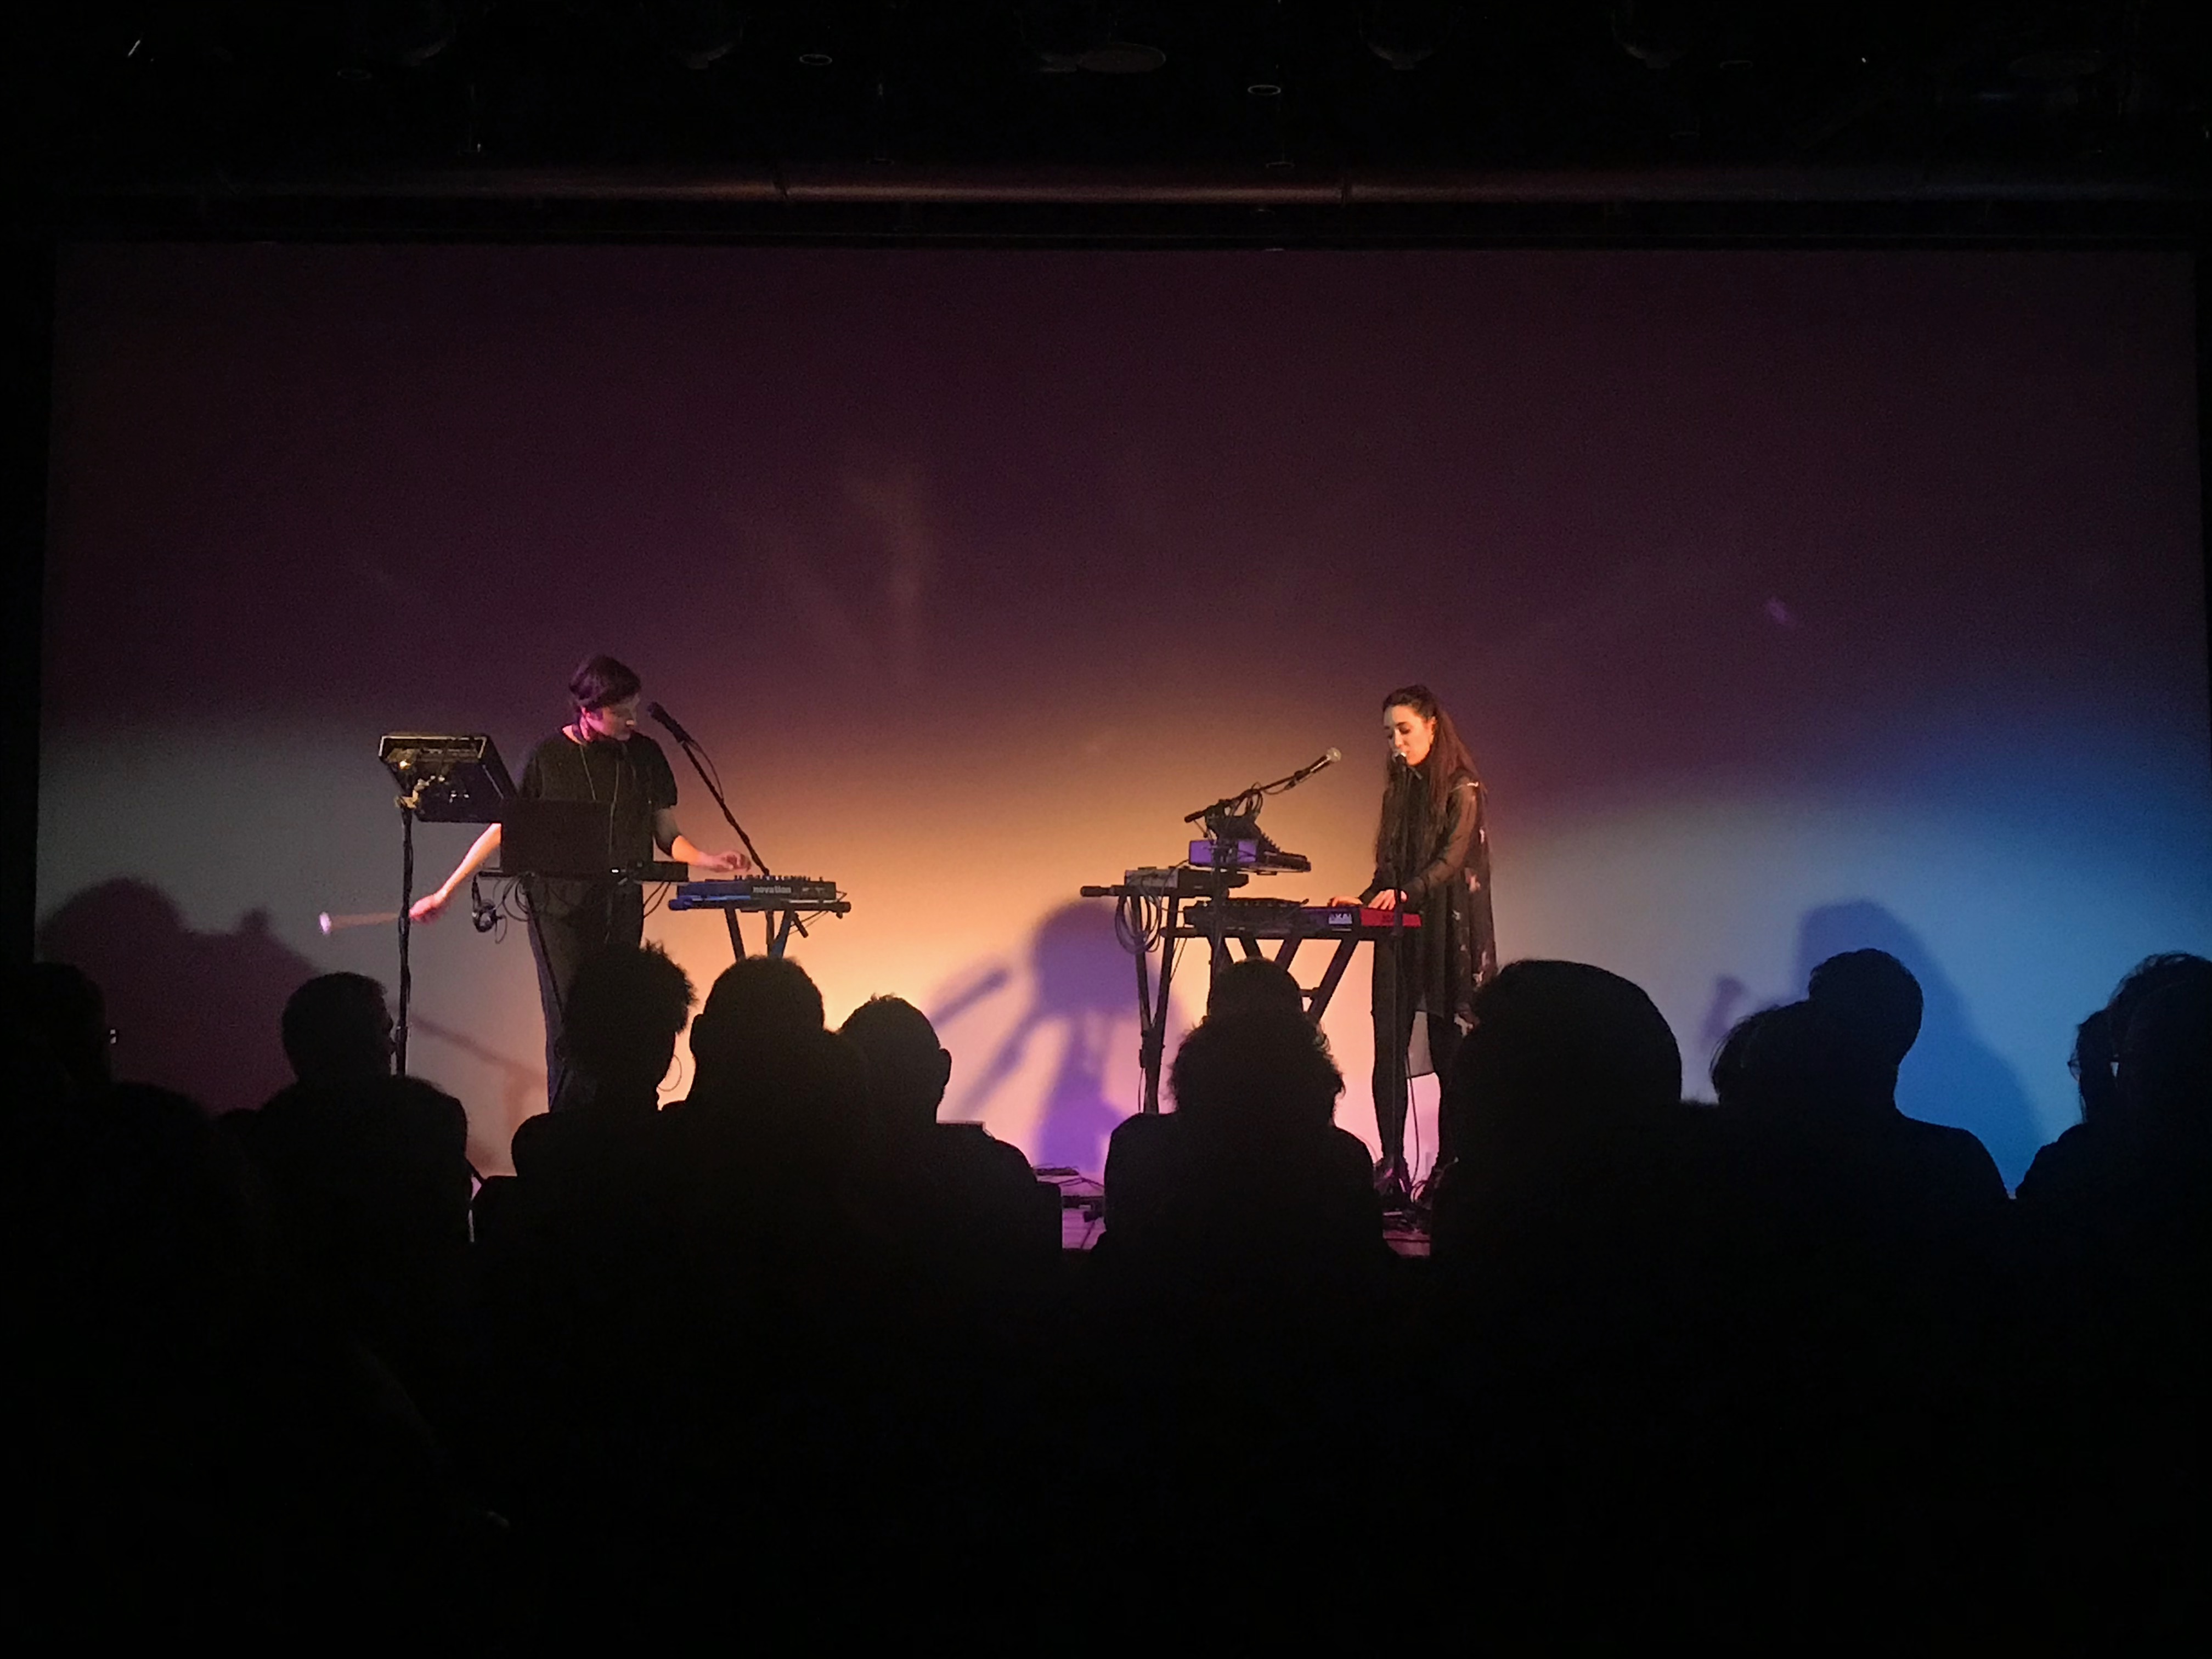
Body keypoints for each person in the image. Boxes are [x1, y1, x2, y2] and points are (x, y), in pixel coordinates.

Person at [407, 654, 749, 1109]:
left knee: (624, 1016)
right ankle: (568, 1125)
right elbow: (505, 827)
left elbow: (666, 834)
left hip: (621, 903)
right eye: (620, 711)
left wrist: (708, 859)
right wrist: (446, 891)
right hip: (556, 909)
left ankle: (627, 1118)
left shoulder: (645, 755)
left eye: (635, 707)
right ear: (587, 711)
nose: (631, 719)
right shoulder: (548, 756)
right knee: (569, 1019)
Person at [1328, 683, 1496, 1206]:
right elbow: (1387, 870)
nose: (1396, 743)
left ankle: (1446, 1170)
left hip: (1449, 935)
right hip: (1402, 932)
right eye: (1388, 734)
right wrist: (1362, 902)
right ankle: (1393, 1164)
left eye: (1404, 730)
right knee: (1388, 1049)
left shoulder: (1463, 789)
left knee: (1450, 1054)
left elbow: (1449, 861)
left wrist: (1404, 893)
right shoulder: (1398, 792)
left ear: (1432, 727)